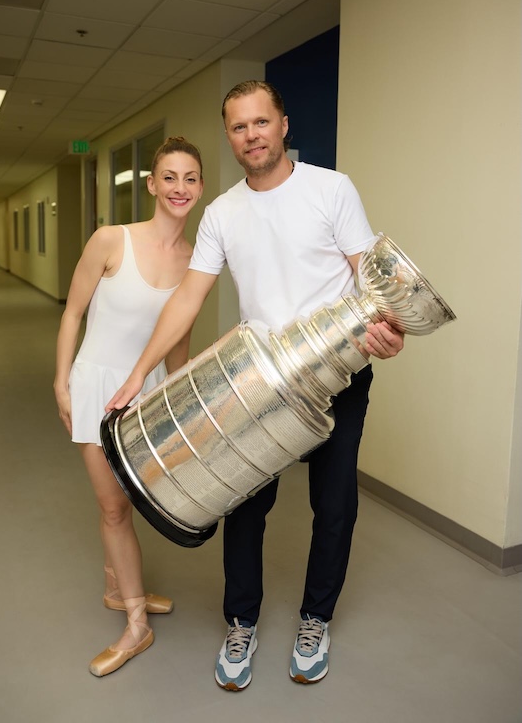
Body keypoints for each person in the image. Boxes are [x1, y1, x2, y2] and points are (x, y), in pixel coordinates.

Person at [107, 81, 404, 690]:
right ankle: (241, 622)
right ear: (230, 137)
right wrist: (139, 374)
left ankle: (314, 619)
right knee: (245, 507)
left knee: (335, 508)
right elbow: (188, 299)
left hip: (338, 374)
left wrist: (389, 327)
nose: (252, 135)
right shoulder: (222, 214)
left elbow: (369, 278)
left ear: (284, 124)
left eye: (261, 123)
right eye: (239, 127)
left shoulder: (331, 188)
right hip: (259, 383)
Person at [54, 136, 204, 677]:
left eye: (190, 178)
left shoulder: (196, 260)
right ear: (151, 183)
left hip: (151, 394)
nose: (179, 187)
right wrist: (61, 382)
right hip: (97, 386)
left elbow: (178, 341)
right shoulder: (110, 240)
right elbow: (72, 313)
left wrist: (183, 402)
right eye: (169, 176)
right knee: (114, 507)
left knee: (136, 501)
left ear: (201, 187)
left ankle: (120, 589)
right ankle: (136, 624)